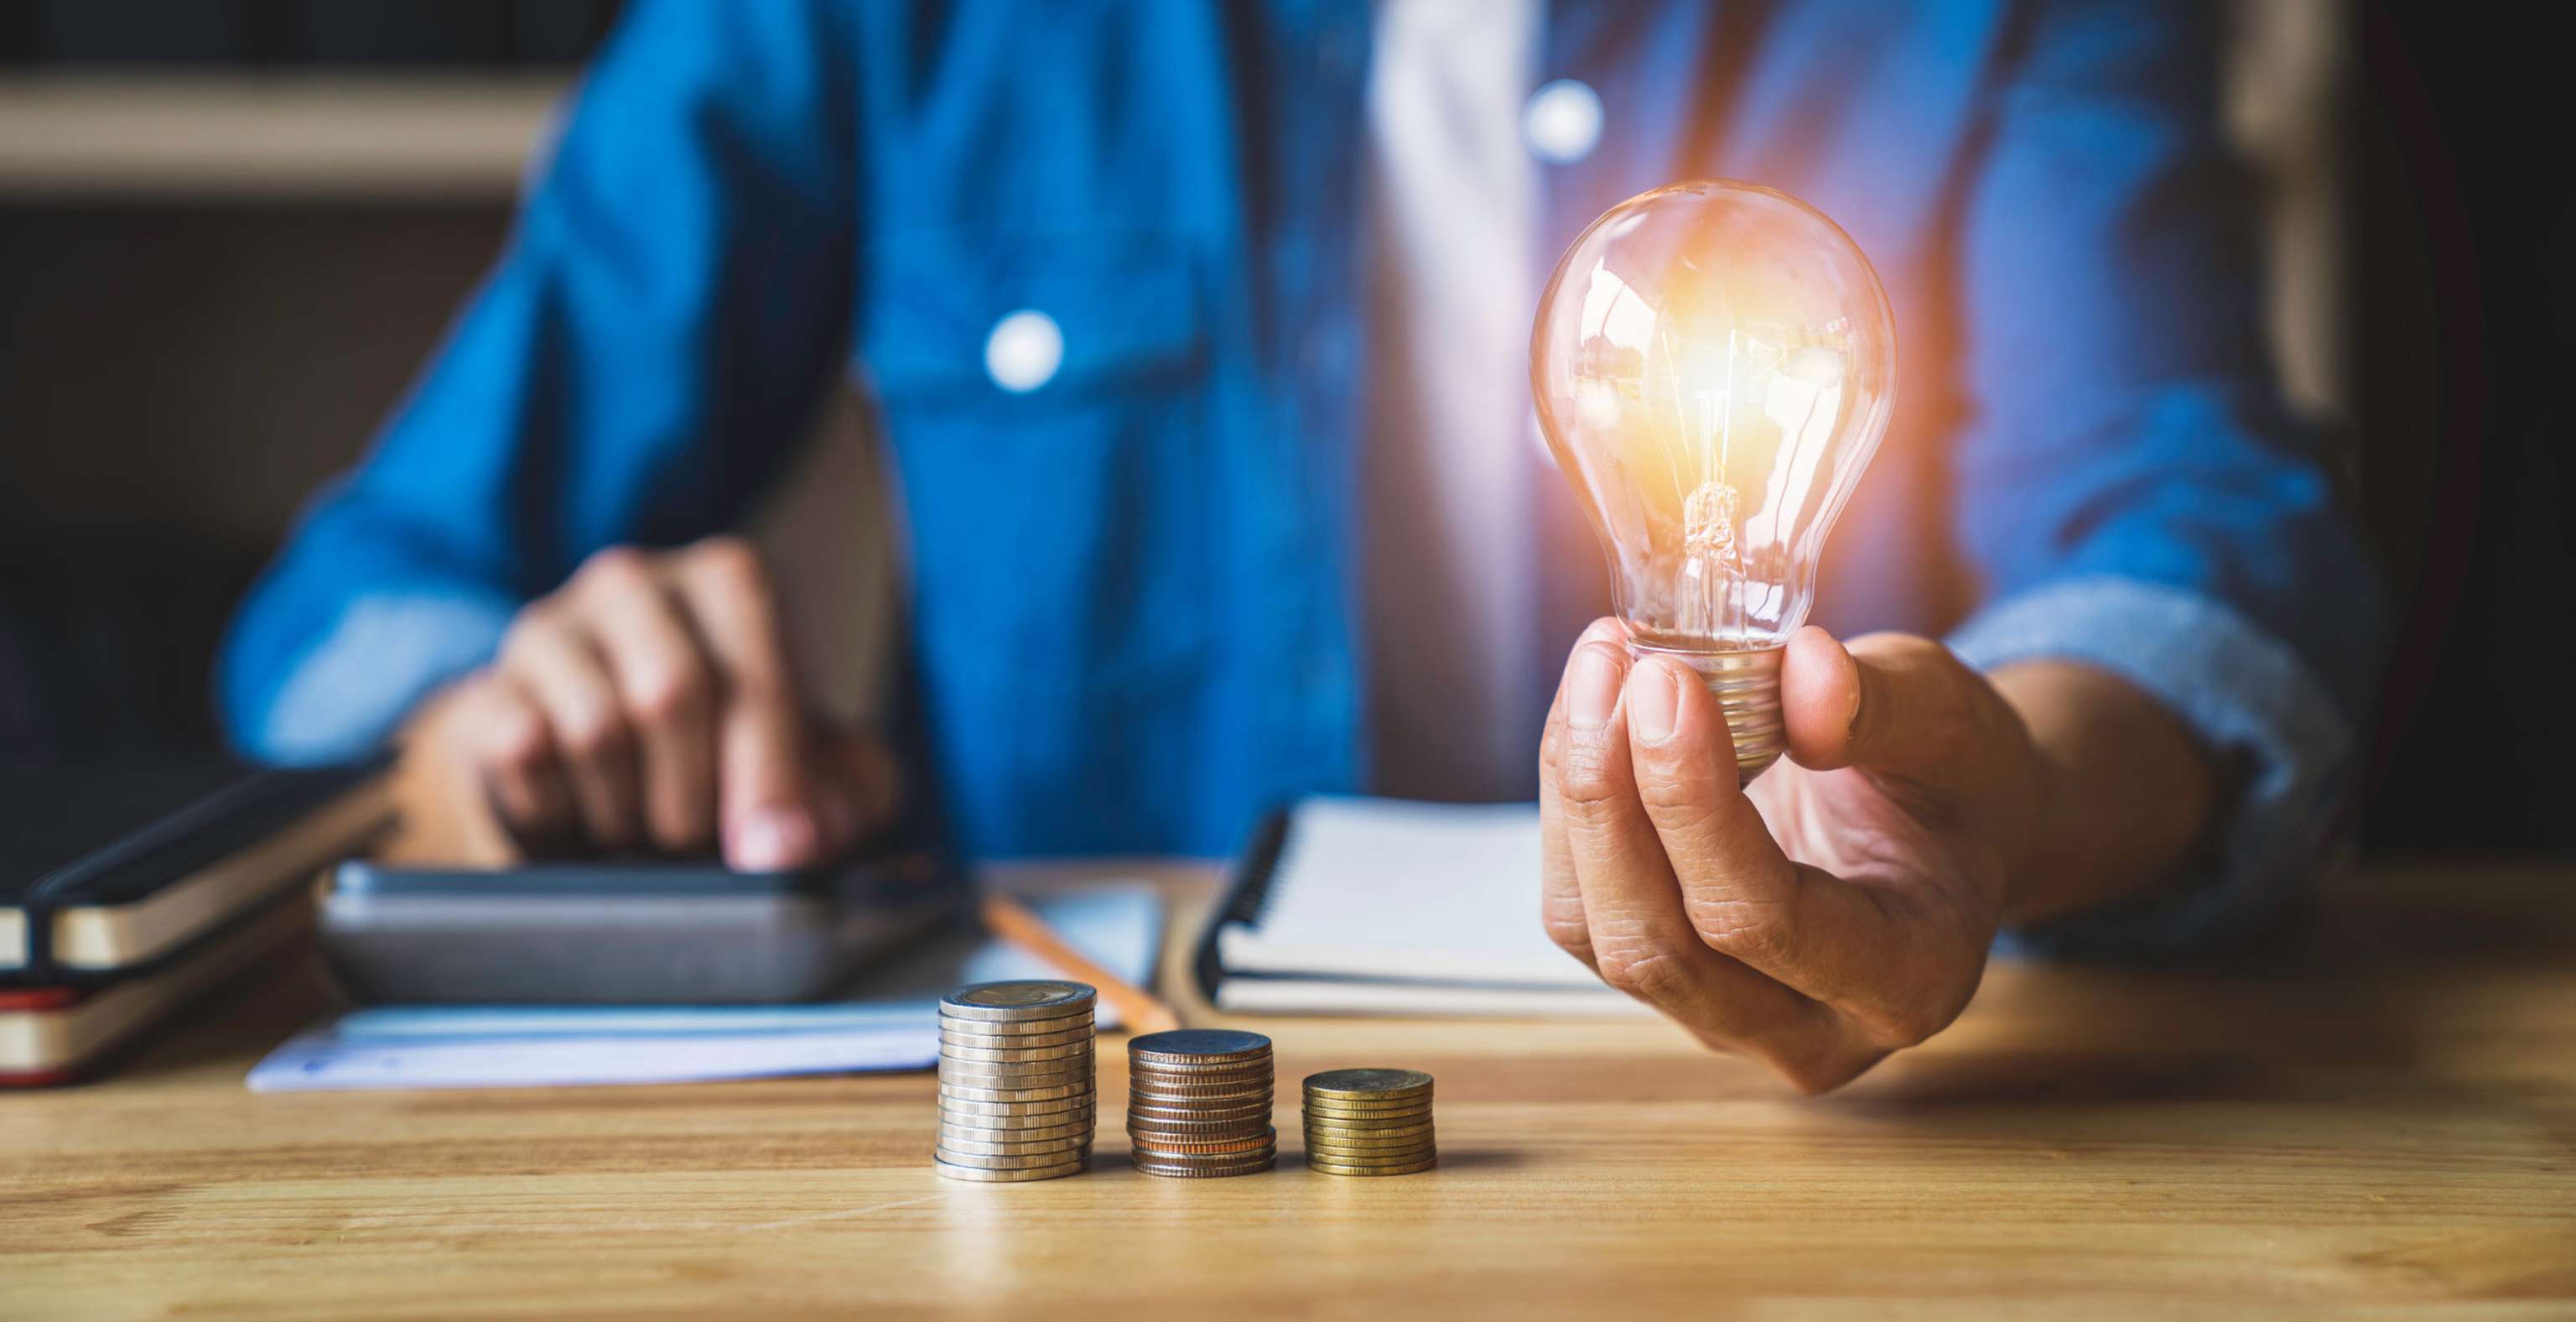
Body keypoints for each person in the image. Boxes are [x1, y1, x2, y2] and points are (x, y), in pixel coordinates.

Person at [221, 1, 2381, 1092]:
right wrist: (492, 721)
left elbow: (2203, 556)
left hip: (1765, 1186)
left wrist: (2004, 799)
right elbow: (345, 615)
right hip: (1095, 1159)